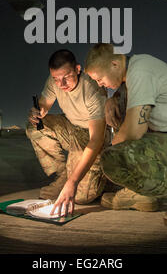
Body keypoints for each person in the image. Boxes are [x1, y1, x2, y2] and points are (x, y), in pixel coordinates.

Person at [85, 43, 167, 231]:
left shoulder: (140, 70)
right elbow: (125, 98)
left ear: (115, 64)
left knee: (113, 158)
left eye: (99, 79)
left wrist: (110, 149)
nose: (99, 84)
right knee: (123, 117)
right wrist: (111, 100)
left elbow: (134, 131)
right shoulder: (134, 72)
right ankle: (143, 192)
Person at [26, 49, 109, 217]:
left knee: (82, 197)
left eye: (66, 77)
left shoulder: (92, 89)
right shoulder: (55, 80)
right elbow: (45, 104)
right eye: (56, 79)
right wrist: (38, 111)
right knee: (35, 127)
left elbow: (96, 140)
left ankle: (106, 175)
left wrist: (74, 182)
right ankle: (63, 175)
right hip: (71, 126)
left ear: (78, 69)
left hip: (91, 134)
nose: (61, 84)